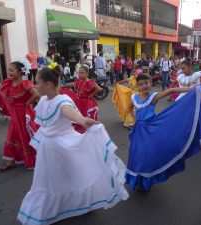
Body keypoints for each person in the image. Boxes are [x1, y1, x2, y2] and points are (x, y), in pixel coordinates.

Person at [18, 66, 128, 225]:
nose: (35, 87)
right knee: (54, 178)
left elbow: (68, 111)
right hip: (48, 148)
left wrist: (82, 120)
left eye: (37, 83)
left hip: (62, 144)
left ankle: (80, 202)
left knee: (67, 175)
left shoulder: (62, 101)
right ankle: (62, 206)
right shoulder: (43, 100)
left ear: (48, 85)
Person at [126, 74, 201, 191]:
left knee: (149, 155)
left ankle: (146, 181)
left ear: (150, 83)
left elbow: (172, 90)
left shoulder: (153, 97)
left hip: (151, 129)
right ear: (138, 86)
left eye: (146, 83)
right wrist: (135, 119)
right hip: (139, 131)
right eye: (141, 84)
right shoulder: (134, 97)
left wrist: (192, 89)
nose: (144, 86)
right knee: (137, 154)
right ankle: (137, 179)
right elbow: (130, 108)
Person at [0, 61, 39, 171]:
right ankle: (12, 159)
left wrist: (27, 103)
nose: (9, 72)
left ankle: (32, 157)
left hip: (23, 115)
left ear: (20, 72)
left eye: (12, 70)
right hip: (14, 114)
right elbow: (3, 93)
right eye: (8, 70)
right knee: (13, 135)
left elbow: (36, 94)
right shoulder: (9, 83)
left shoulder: (25, 84)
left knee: (25, 135)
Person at [61, 65, 101, 133]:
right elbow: (71, 84)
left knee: (88, 117)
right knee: (79, 117)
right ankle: (82, 131)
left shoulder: (90, 82)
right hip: (78, 102)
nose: (80, 74)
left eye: (82, 73)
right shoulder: (78, 81)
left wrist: (91, 95)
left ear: (87, 74)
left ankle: (91, 131)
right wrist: (63, 85)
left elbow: (99, 89)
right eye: (79, 73)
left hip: (87, 103)